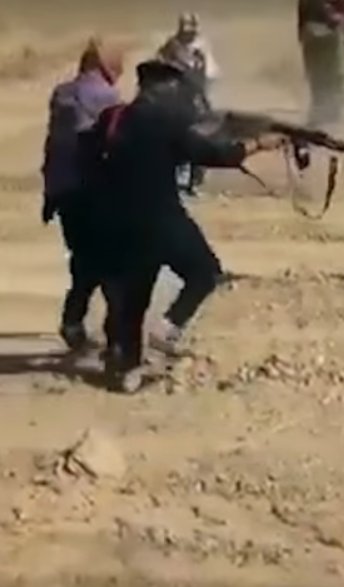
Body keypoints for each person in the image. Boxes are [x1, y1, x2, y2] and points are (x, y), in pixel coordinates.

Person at [86, 60, 284, 392]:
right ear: (161, 88)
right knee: (205, 273)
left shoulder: (114, 118)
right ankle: (167, 330)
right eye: (174, 89)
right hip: (162, 218)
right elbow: (215, 154)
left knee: (134, 299)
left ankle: (128, 369)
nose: (178, 94)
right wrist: (257, 144)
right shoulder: (165, 122)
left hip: (120, 220)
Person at [40, 37, 124, 352]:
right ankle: (115, 337)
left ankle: (75, 322)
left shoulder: (61, 94)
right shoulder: (107, 98)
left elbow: (53, 146)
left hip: (62, 190)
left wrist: (49, 194)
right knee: (110, 261)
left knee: (85, 258)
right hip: (93, 190)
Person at [158, 12, 219, 197]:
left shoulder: (202, 46)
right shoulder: (172, 46)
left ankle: (195, 181)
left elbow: (209, 75)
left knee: (203, 137)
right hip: (177, 99)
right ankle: (179, 182)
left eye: (191, 29)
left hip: (196, 98)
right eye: (186, 29)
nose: (189, 33)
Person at [297, 0, 344, 127]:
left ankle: (326, 109)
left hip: (317, 31)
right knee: (324, 73)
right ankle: (326, 110)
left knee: (323, 74)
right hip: (319, 31)